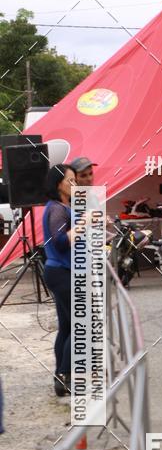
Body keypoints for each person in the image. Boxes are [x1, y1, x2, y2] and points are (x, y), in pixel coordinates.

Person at [42, 164, 79, 396]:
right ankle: (64, 374)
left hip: (62, 271)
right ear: (59, 185)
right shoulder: (57, 208)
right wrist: (85, 224)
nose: (75, 185)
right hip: (60, 272)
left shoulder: (65, 206)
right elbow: (60, 241)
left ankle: (61, 376)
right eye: (71, 181)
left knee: (66, 326)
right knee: (79, 324)